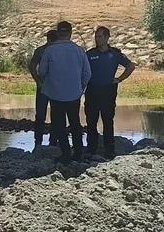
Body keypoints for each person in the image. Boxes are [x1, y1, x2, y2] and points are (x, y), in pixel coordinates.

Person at [37, 21, 90, 163]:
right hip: (74, 94)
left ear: (58, 33)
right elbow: (87, 73)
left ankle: (65, 153)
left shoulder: (49, 51)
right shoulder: (79, 51)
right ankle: (78, 153)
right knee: (75, 123)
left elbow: (41, 71)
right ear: (70, 33)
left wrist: (49, 81)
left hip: (56, 94)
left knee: (59, 125)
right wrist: (81, 87)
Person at [85, 26, 136, 158]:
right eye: (96, 36)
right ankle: (91, 148)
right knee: (91, 120)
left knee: (108, 120)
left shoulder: (115, 53)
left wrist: (120, 79)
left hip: (108, 90)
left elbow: (131, 66)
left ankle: (109, 148)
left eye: (100, 36)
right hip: (92, 90)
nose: (97, 39)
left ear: (107, 38)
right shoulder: (89, 54)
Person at [28, 29, 59, 149]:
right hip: (48, 86)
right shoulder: (41, 51)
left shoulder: (42, 50)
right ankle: (40, 142)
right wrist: (38, 81)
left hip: (51, 86)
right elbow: (32, 66)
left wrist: (38, 81)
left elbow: (32, 66)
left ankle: (49, 141)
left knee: (50, 114)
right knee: (43, 114)